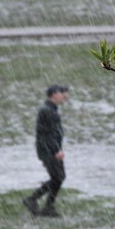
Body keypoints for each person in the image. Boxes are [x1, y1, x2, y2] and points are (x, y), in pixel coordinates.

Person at [23, 84, 70, 218]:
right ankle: (34, 200)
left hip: (47, 149)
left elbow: (49, 133)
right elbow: (50, 134)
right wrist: (56, 151)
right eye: (62, 93)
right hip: (49, 149)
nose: (65, 96)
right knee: (58, 177)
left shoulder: (50, 109)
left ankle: (45, 205)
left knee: (58, 177)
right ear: (54, 94)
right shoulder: (48, 110)